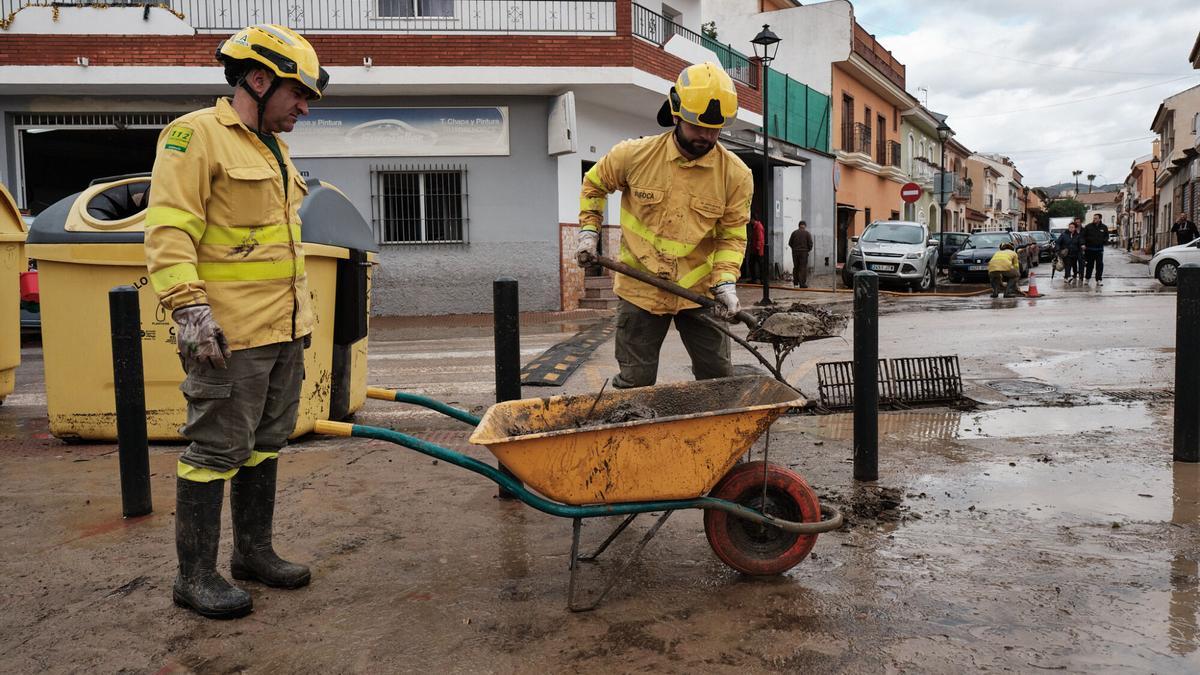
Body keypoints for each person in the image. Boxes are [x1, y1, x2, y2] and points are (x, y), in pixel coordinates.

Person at [145, 23, 329, 620]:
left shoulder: (273, 147)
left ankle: (253, 554)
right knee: (214, 449)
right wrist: (189, 309)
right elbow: (170, 229)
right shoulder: (193, 136)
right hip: (229, 338)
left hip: (283, 330)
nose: (303, 107)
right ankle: (194, 576)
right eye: (297, 93)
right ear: (258, 78)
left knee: (264, 445)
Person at [576, 62, 753, 389]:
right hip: (640, 289)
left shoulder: (736, 175)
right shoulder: (633, 155)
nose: (707, 137)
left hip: (700, 294)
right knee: (636, 382)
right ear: (676, 114)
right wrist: (589, 231)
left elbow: (731, 236)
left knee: (717, 379)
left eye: (715, 130)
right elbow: (594, 184)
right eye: (698, 127)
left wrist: (726, 283)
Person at [1081, 213, 1109, 285]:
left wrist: (1104, 241)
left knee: (1099, 265)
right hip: (1089, 249)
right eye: (1094, 218)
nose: (1094, 219)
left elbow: (1106, 236)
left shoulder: (1104, 227)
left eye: (1096, 218)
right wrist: (1083, 244)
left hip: (1099, 250)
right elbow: (1083, 236)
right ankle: (1087, 279)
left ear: (1100, 219)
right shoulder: (1088, 227)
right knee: (1089, 265)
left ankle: (1098, 280)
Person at [788, 220, 814, 287]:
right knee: (802, 268)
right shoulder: (807, 234)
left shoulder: (794, 233)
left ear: (799, 226)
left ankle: (796, 283)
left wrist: (794, 249)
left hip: (795, 252)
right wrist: (807, 250)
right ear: (805, 226)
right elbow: (810, 244)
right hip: (804, 253)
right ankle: (802, 284)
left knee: (796, 267)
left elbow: (790, 243)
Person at [745, 213, 764, 283]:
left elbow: (760, 238)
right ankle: (755, 279)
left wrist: (758, 248)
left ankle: (761, 280)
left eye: (750, 219)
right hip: (754, 249)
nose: (750, 221)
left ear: (753, 219)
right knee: (752, 264)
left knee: (758, 264)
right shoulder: (755, 226)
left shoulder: (758, 227)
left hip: (757, 250)